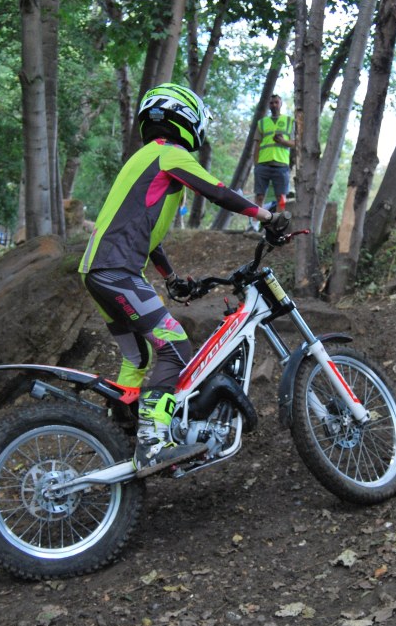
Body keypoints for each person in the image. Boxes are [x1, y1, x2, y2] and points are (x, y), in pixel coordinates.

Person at [79, 83, 287, 477]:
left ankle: (119, 430)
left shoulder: (144, 158)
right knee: (175, 346)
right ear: (186, 118)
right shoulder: (169, 153)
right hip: (117, 271)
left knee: (137, 358)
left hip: (98, 272)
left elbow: (145, 233)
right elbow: (217, 191)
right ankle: (153, 441)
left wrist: (171, 277)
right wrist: (268, 216)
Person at [249, 94, 295, 231]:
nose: (274, 105)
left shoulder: (289, 121)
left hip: (281, 164)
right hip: (263, 164)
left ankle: (278, 225)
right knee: (259, 195)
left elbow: (296, 143)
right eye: (271, 103)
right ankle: (254, 225)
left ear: (281, 104)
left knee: (281, 197)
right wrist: (256, 164)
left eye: (276, 102)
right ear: (269, 105)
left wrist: (283, 141)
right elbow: (257, 144)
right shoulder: (262, 123)